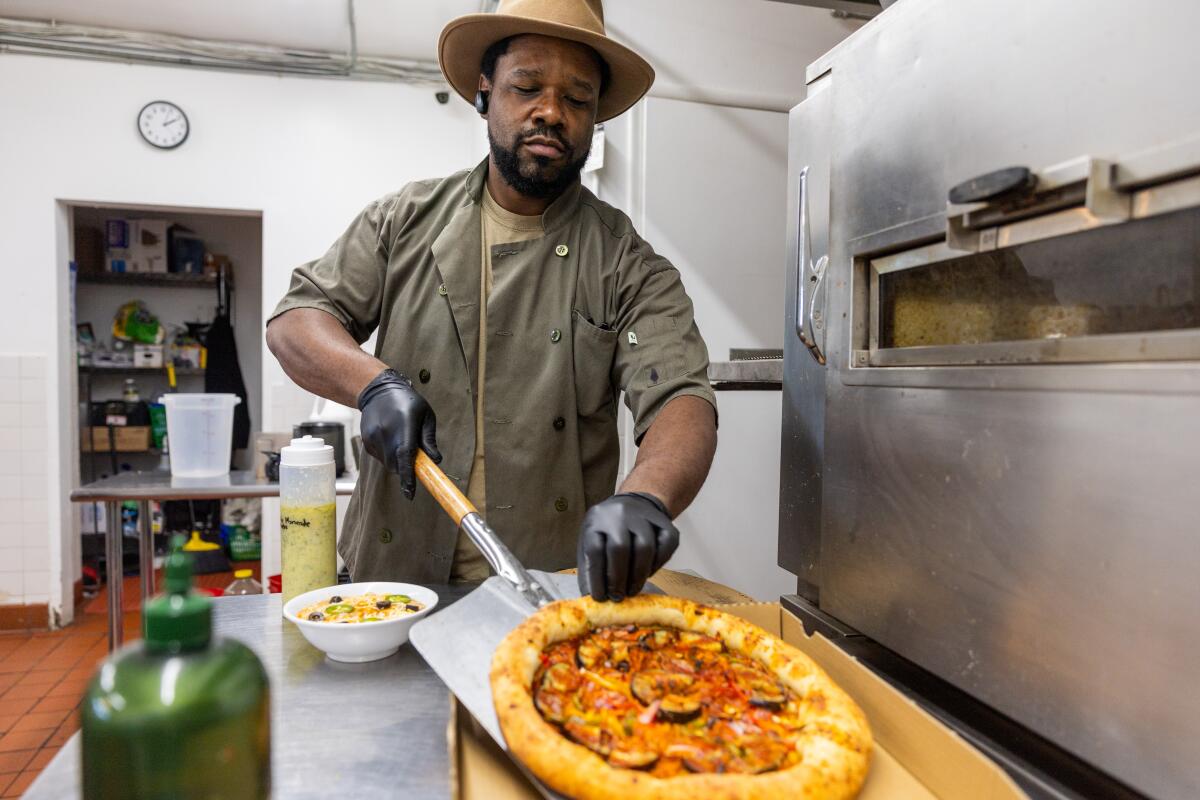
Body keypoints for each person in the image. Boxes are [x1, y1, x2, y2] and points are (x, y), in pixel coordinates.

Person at [266, 0, 717, 602]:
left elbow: (681, 400)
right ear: (484, 93)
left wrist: (646, 496)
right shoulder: (405, 220)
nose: (551, 113)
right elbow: (297, 320)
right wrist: (371, 384)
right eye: (526, 86)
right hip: (392, 581)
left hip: (543, 591)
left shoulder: (627, 264)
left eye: (578, 100)